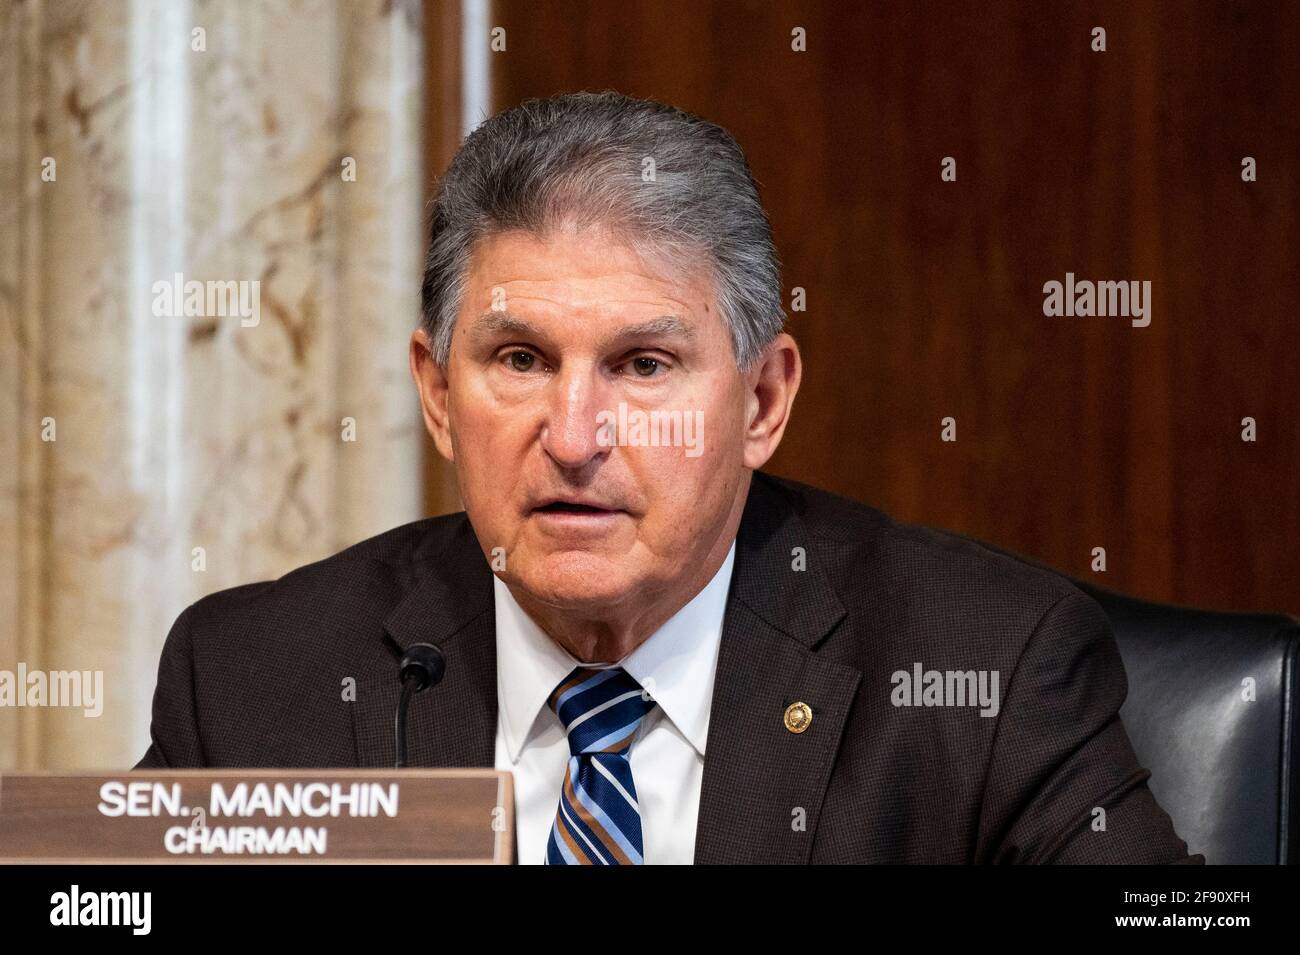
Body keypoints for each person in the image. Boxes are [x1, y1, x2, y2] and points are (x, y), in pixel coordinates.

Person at [136, 90, 1200, 865]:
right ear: (434, 393)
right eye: (520, 361)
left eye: (643, 366)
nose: (574, 434)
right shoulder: (253, 681)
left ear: (763, 401)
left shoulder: (980, 673)